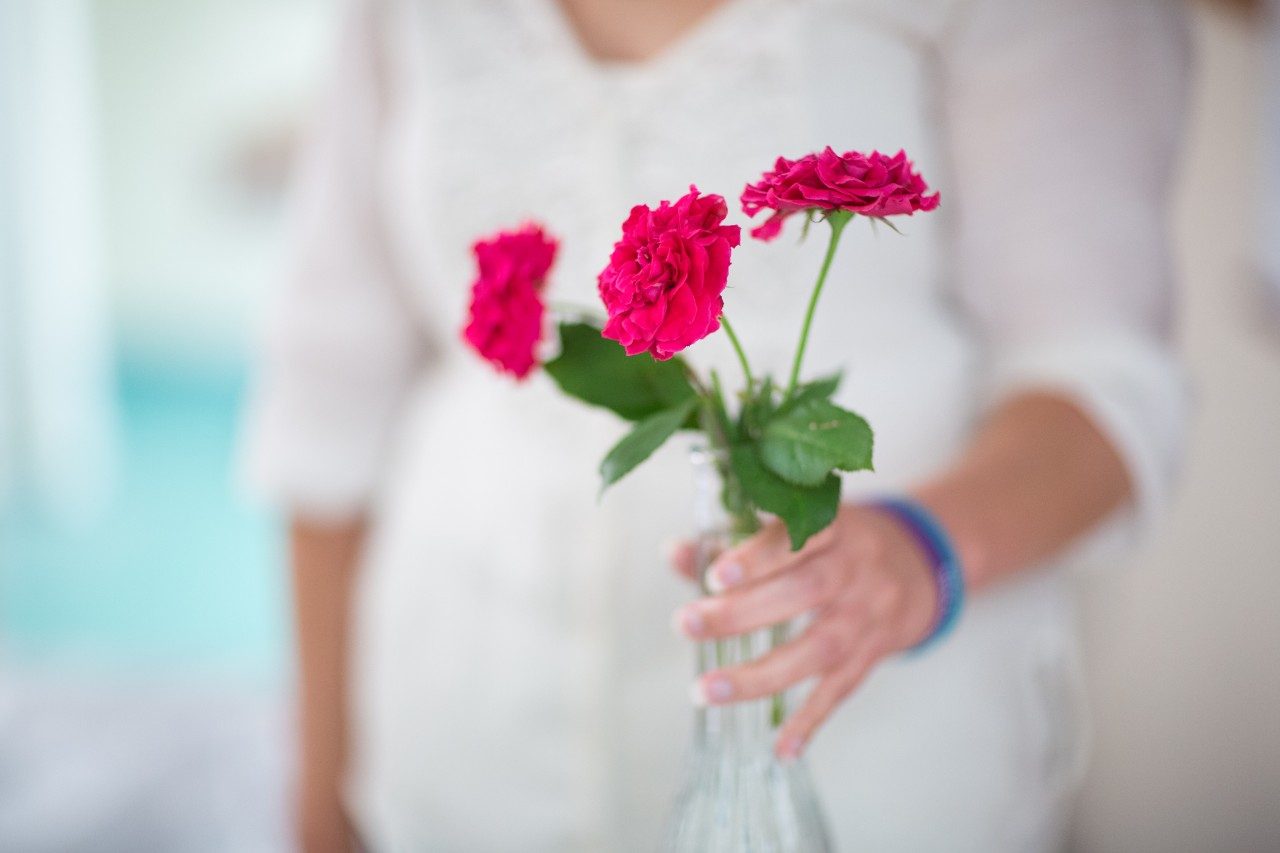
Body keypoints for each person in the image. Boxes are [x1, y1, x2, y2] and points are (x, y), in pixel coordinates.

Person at [241, 0, 1190, 850]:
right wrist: (321, 797)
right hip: (454, 752)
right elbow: (328, 395)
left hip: (871, 768)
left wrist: (921, 548)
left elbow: (1100, 378)